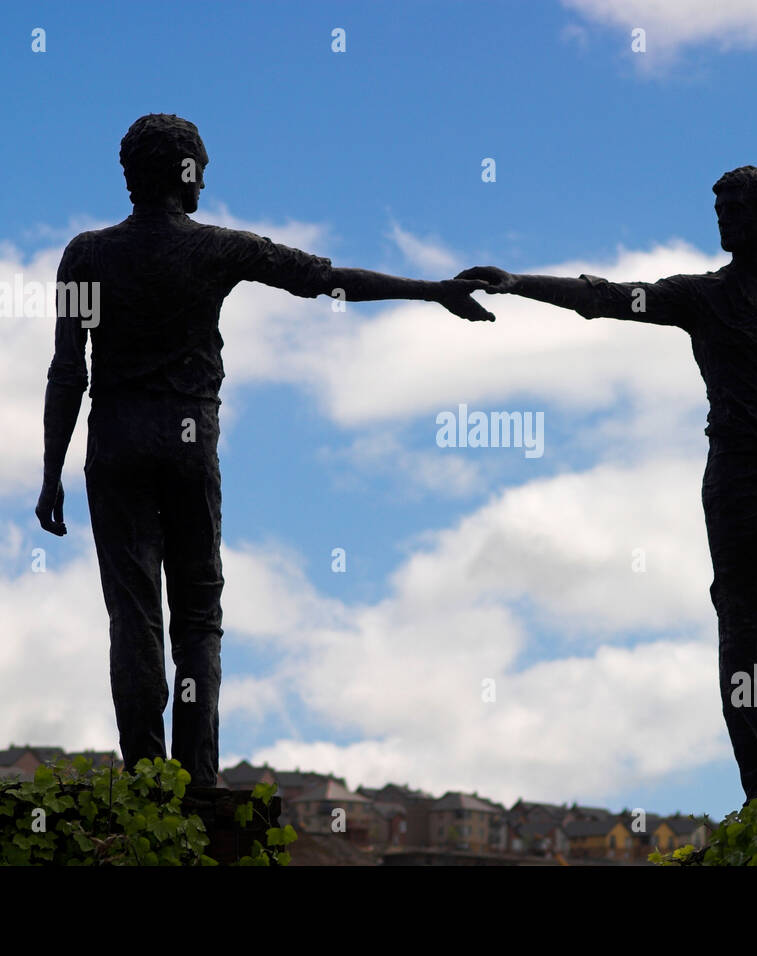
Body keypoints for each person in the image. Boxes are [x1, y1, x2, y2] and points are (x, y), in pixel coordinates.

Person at [35, 113, 491, 787]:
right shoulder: (217, 248)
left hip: (117, 443)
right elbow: (326, 279)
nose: (208, 178)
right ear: (183, 172)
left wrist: (51, 473)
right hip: (188, 442)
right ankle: (197, 783)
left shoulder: (86, 254)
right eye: (202, 167)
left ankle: (146, 782)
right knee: (198, 619)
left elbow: (67, 369)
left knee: (132, 616)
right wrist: (433, 291)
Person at [457, 166, 757, 802]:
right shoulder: (700, 296)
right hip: (738, 487)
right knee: (747, 643)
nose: (722, 217)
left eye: (736, 207)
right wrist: (519, 284)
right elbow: (608, 297)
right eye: (718, 208)